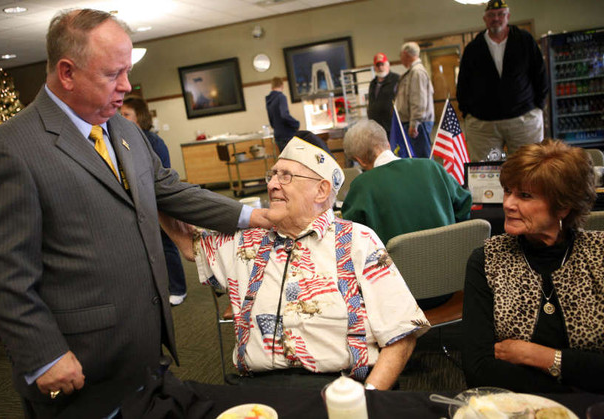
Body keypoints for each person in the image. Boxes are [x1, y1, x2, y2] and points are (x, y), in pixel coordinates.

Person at [0, 9, 269, 418]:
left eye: (127, 71)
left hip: (142, 347)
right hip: (78, 361)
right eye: (113, 74)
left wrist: (253, 216)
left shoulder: (122, 129)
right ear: (67, 73)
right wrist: (43, 355)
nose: (126, 86)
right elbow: (1, 271)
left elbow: (169, 188)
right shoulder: (9, 149)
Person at [168, 137, 429, 390]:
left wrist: (365, 400)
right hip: (259, 388)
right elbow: (190, 243)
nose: (272, 184)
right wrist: (147, 183)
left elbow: (401, 335)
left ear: (321, 190)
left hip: (341, 386)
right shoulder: (247, 241)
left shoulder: (358, 241)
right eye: (271, 175)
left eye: (285, 176)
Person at [462, 139, 604, 393]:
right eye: (507, 191)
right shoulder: (487, 259)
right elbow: (478, 369)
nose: (508, 204)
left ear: (562, 206)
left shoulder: (598, 255)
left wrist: (539, 356)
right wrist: (575, 382)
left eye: (524, 196)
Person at [341, 120, 472, 309]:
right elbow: (465, 205)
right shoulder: (432, 167)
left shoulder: (362, 186)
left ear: (360, 160)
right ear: (387, 143)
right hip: (450, 285)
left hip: (397, 297)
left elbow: (349, 241)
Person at [456, 0, 549, 162]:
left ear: (508, 16)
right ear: (485, 19)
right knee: (486, 175)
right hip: (484, 125)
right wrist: (468, 113)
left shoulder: (524, 41)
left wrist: (538, 108)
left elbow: (540, 75)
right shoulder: (473, 48)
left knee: (528, 168)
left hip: (523, 120)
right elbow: (464, 84)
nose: (496, 18)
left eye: (501, 14)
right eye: (491, 15)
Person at [120, 96, 187, 306]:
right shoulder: (122, 139)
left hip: (156, 204)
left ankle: (178, 288)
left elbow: (163, 177)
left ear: (139, 116)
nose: (121, 119)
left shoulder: (154, 142)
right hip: (135, 204)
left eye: (126, 115)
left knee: (167, 245)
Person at [395, 42, 434, 158]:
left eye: (400, 55)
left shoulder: (417, 72)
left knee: (423, 158)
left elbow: (419, 100)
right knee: (418, 157)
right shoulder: (413, 72)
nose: (401, 59)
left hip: (418, 124)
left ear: (405, 54)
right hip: (414, 122)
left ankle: (429, 176)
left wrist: (414, 123)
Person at [367, 52, 400, 140]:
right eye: (378, 65)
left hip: (392, 125)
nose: (380, 67)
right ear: (374, 67)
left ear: (387, 65)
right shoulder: (373, 83)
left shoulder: (396, 79)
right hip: (376, 126)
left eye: (382, 64)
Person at [266, 77, 300, 152]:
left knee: (286, 160)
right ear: (282, 85)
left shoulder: (269, 100)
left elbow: (271, 120)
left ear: (272, 86)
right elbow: (284, 114)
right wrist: (296, 124)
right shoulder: (281, 97)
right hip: (287, 135)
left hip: (278, 135)